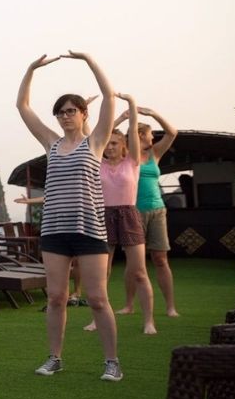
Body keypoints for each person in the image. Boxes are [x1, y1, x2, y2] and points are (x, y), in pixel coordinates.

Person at [16, 53, 122, 382]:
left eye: (71, 111)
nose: (65, 117)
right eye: (61, 112)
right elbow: (22, 106)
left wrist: (89, 60)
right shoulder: (51, 143)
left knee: (98, 299)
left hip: (89, 231)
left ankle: (112, 362)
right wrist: (31, 69)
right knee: (56, 297)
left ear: (83, 113)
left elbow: (109, 96)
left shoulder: (96, 142)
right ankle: (55, 358)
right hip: (54, 231)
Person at [87, 94, 157, 335]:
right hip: (103, 216)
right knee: (101, 273)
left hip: (129, 215)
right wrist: (110, 118)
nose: (109, 147)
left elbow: (132, 128)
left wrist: (131, 105)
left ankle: (149, 321)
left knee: (139, 272)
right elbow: (94, 136)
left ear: (124, 145)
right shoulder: (98, 163)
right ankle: (96, 319)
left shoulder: (132, 161)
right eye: (107, 143)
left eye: (115, 143)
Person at [121, 106, 179, 316]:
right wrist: (123, 118)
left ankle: (170, 307)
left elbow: (172, 133)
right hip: (133, 212)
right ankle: (129, 305)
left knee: (161, 259)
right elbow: (105, 140)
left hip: (157, 210)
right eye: (149, 134)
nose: (153, 137)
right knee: (134, 263)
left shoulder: (155, 154)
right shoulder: (126, 155)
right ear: (139, 135)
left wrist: (153, 114)